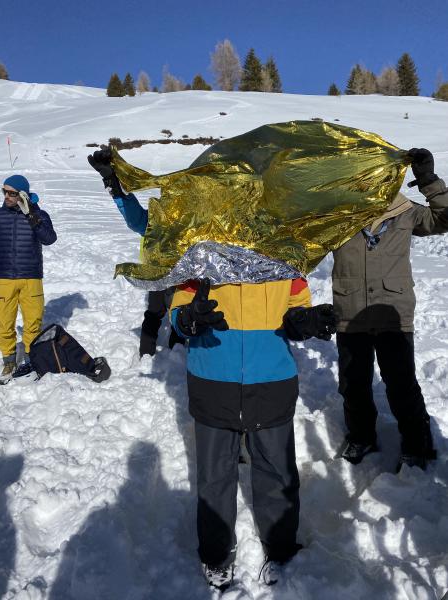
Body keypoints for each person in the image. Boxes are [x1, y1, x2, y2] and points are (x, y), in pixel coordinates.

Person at [169, 277, 337, 590]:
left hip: (271, 379)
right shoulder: (202, 256)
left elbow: (296, 309)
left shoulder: (283, 257)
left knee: (278, 471)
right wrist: (189, 318)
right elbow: (177, 314)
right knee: (214, 475)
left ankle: (281, 547)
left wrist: (304, 321)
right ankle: (216, 554)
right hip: (213, 379)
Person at [333, 148, 448, 471]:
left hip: (392, 311)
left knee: (401, 383)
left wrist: (428, 180)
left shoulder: (406, 211)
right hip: (350, 310)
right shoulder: (337, 215)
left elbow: (444, 218)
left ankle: (417, 443)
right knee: (353, 384)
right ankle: (361, 436)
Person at [87, 148, 183, 356]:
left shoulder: (190, 222)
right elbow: (134, 218)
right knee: (155, 313)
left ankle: (177, 356)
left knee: (180, 315)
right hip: (157, 273)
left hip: (183, 276)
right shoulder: (154, 220)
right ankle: (146, 355)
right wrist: (112, 182)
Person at [0, 175, 57, 383]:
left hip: (31, 277)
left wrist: (32, 216)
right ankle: (9, 361)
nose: (6, 196)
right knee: (3, 323)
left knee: (33, 323)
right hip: (3, 278)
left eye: (12, 193)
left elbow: (49, 239)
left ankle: (32, 361)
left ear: (23, 194)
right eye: (4, 191)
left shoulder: (39, 215)